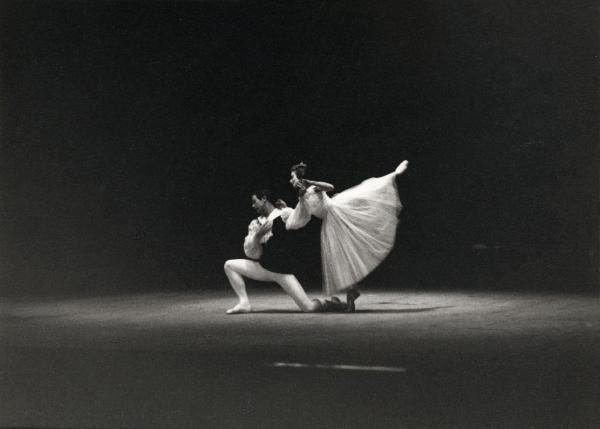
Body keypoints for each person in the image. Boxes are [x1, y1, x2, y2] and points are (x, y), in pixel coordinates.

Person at [285, 160, 409, 311]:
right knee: (343, 257)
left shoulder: (313, 187)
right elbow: (303, 216)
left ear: (300, 178)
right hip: (330, 223)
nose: (291, 181)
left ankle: (391, 187)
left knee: (347, 251)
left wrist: (310, 182)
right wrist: (289, 209)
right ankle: (352, 294)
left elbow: (330, 187)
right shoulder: (302, 195)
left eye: (292, 177)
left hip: (337, 214)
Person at [224, 189, 345, 314]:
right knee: (229, 265)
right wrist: (257, 236)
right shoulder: (256, 223)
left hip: (282, 271)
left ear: (264, 199)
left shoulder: (283, 214)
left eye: (255, 201)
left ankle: (332, 303)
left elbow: (301, 219)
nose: (253, 205)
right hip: (264, 268)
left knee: (309, 308)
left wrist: (291, 208)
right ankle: (244, 303)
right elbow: (252, 253)